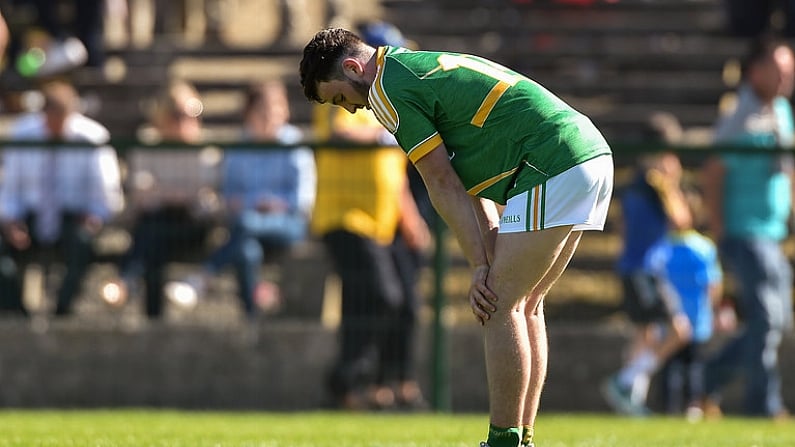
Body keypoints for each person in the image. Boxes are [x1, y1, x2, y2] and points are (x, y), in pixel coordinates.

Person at [300, 28, 613, 447]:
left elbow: (440, 181)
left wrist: (480, 266)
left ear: (354, 68)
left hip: (553, 160)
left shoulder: (385, 89)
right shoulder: (408, 67)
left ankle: (504, 441)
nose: (351, 110)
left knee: (499, 304)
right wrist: (485, 254)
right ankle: (521, 440)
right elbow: (468, 183)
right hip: (586, 150)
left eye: (340, 98)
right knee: (525, 304)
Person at [312, 85, 431, 410]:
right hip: (345, 217)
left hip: (379, 225)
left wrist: (410, 219)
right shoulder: (343, 100)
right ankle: (348, 381)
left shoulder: (384, 112)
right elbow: (340, 133)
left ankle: (360, 385)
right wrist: (385, 137)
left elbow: (394, 176)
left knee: (376, 302)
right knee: (381, 296)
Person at [699, 35, 794, 419]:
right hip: (743, 230)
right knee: (767, 318)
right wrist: (719, 230)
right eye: (780, 69)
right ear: (756, 71)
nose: (787, 76)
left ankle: (709, 377)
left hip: (772, 232)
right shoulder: (739, 114)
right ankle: (763, 405)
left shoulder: (783, 110)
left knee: (776, 320)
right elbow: (713, 170)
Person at [164, 80, 316, 319]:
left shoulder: (295, 145)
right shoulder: (238, 146)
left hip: (286, 226)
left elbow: (300, 202)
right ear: (249, 113)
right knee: (247, 251)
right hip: (244, 228)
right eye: (263, 111)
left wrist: (259, 203)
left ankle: (201, 278)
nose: (271, 117)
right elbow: (228, 196)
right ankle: (252, 322)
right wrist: (260, 202)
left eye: (276, 110)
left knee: (246, 222)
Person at [0, 80, 124, 316]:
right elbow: (10, 189)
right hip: (30, 217)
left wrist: (94, 218)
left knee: (83, 245)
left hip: (73, 218)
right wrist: (10, 221)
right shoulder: (23, 134)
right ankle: (18, 315)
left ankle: (61, 313)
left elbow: (107, 193)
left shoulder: (92, 137)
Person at [102, 79, 222, 319]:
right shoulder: (147, 143)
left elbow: (207, 203)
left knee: (151, 235)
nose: (187, 121)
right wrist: (175, 194)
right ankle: (153, 319)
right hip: (157, 223)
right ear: (162, 116)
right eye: (178, 115)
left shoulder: (207, 150)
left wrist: (166, 193)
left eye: (193, 113)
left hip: (193, 226)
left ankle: (126, 279)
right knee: (153, 243)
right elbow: (141, 192)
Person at [602, 150, 695, 416]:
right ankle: (623, 383)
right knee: (679, 330)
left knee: (645, 335)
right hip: (645, 270)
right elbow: (682, 221)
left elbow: (622, 227)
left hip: (635, 268)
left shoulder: (634, 186)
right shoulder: (655, 187)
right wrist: (672, 183)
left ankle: (632, 402)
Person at [642, 189, 724, 418]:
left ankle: (692, 407)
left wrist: (714, 310)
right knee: (670, 367)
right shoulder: (662, 249)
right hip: (672, 322)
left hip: (697, 318)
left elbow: (713, 284)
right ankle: (668, 409)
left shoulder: (701, 248)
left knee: (693, 366)